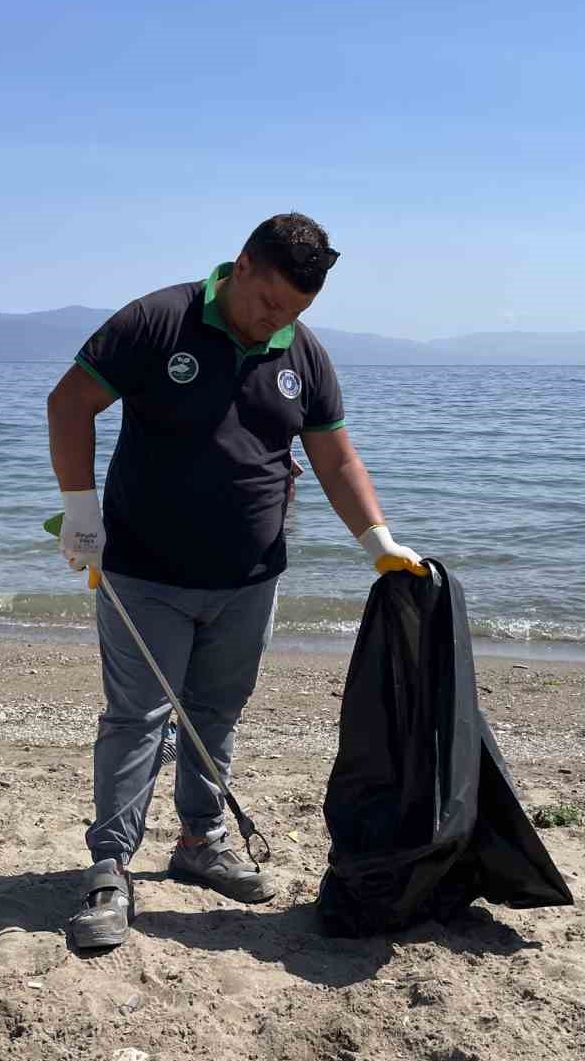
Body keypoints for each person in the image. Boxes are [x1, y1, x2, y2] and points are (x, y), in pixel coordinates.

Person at [46, 212, 424, 951]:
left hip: (250, 578)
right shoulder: (158, 320)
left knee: (215, 711)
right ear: (242, 266)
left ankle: (201, 843)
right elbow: (70, 404)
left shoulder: (302, 352)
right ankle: (109, 867)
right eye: (269, 304)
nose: (274, 323)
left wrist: (378, 540)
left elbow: (336, 459)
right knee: (138, 719)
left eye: (294, 313)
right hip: (144, 572)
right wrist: (79, 512)